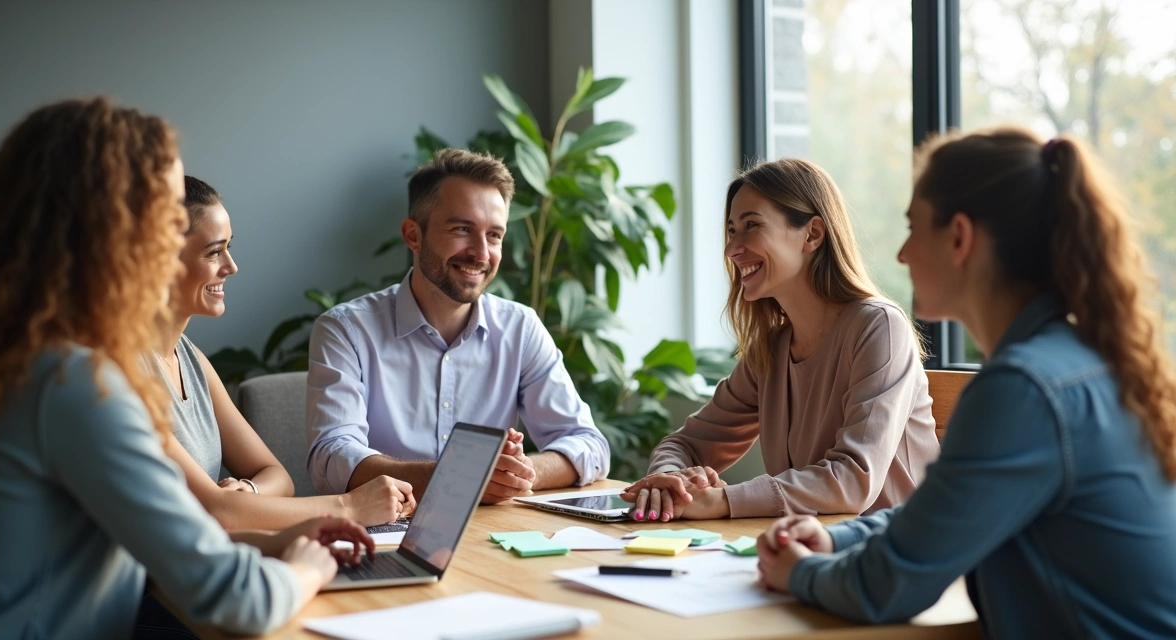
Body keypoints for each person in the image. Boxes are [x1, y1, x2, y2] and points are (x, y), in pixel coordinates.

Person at [0, 98, 372, 639]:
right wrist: (309, 568)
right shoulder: (74, 383)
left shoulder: (8, 357)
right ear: (114, 232)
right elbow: (234, 600)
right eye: (165, 219)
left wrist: (281, 540)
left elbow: (150, 549)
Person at [757, 128, 1176, 637]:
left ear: (959, 237)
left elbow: (889, 584)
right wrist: (840, 541)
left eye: (914, 228)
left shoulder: (1023, 389)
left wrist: (798, 573)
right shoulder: (1075, 360)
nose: (902, 254)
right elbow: (949, 509)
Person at [621, 158, 939, 522]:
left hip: (899, 561)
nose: (732, 249)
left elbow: (853, 480)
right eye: (731, 231)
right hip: (809, 551)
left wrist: (722, 502)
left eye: (751, 226)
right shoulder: (771, 350)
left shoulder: (878, 327)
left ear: (813, 234)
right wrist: (671, 478)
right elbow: (685, 443)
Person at [306, 148, 610, 502]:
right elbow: (331, 459)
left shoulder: (520, 328)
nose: (481, 253)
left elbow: (589, 444)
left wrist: (515, 474)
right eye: (462, 229)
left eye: (494, 235)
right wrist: (457, 475)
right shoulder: (346, 330)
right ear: (413, 236)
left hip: (493, 536)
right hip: (386, 533)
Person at [155, 175, 414, 530]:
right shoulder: (119, 371)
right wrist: (351, 507)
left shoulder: (192, 359)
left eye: (229, 248)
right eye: (214, 251)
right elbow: (217, 512)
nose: (231, 266)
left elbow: (277, 476)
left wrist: (246, 490)